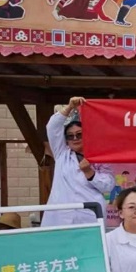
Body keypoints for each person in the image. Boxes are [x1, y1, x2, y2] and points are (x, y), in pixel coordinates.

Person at [41, 96, 114, 227]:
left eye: (79, 134)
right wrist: (69, 107)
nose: (75, 138)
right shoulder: (62, 153)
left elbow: (108, 186)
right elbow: (52, 127)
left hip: (89, 216)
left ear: (87, 135)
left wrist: (90, 172)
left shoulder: (99, 157)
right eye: (70, 136)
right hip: (60, 216)